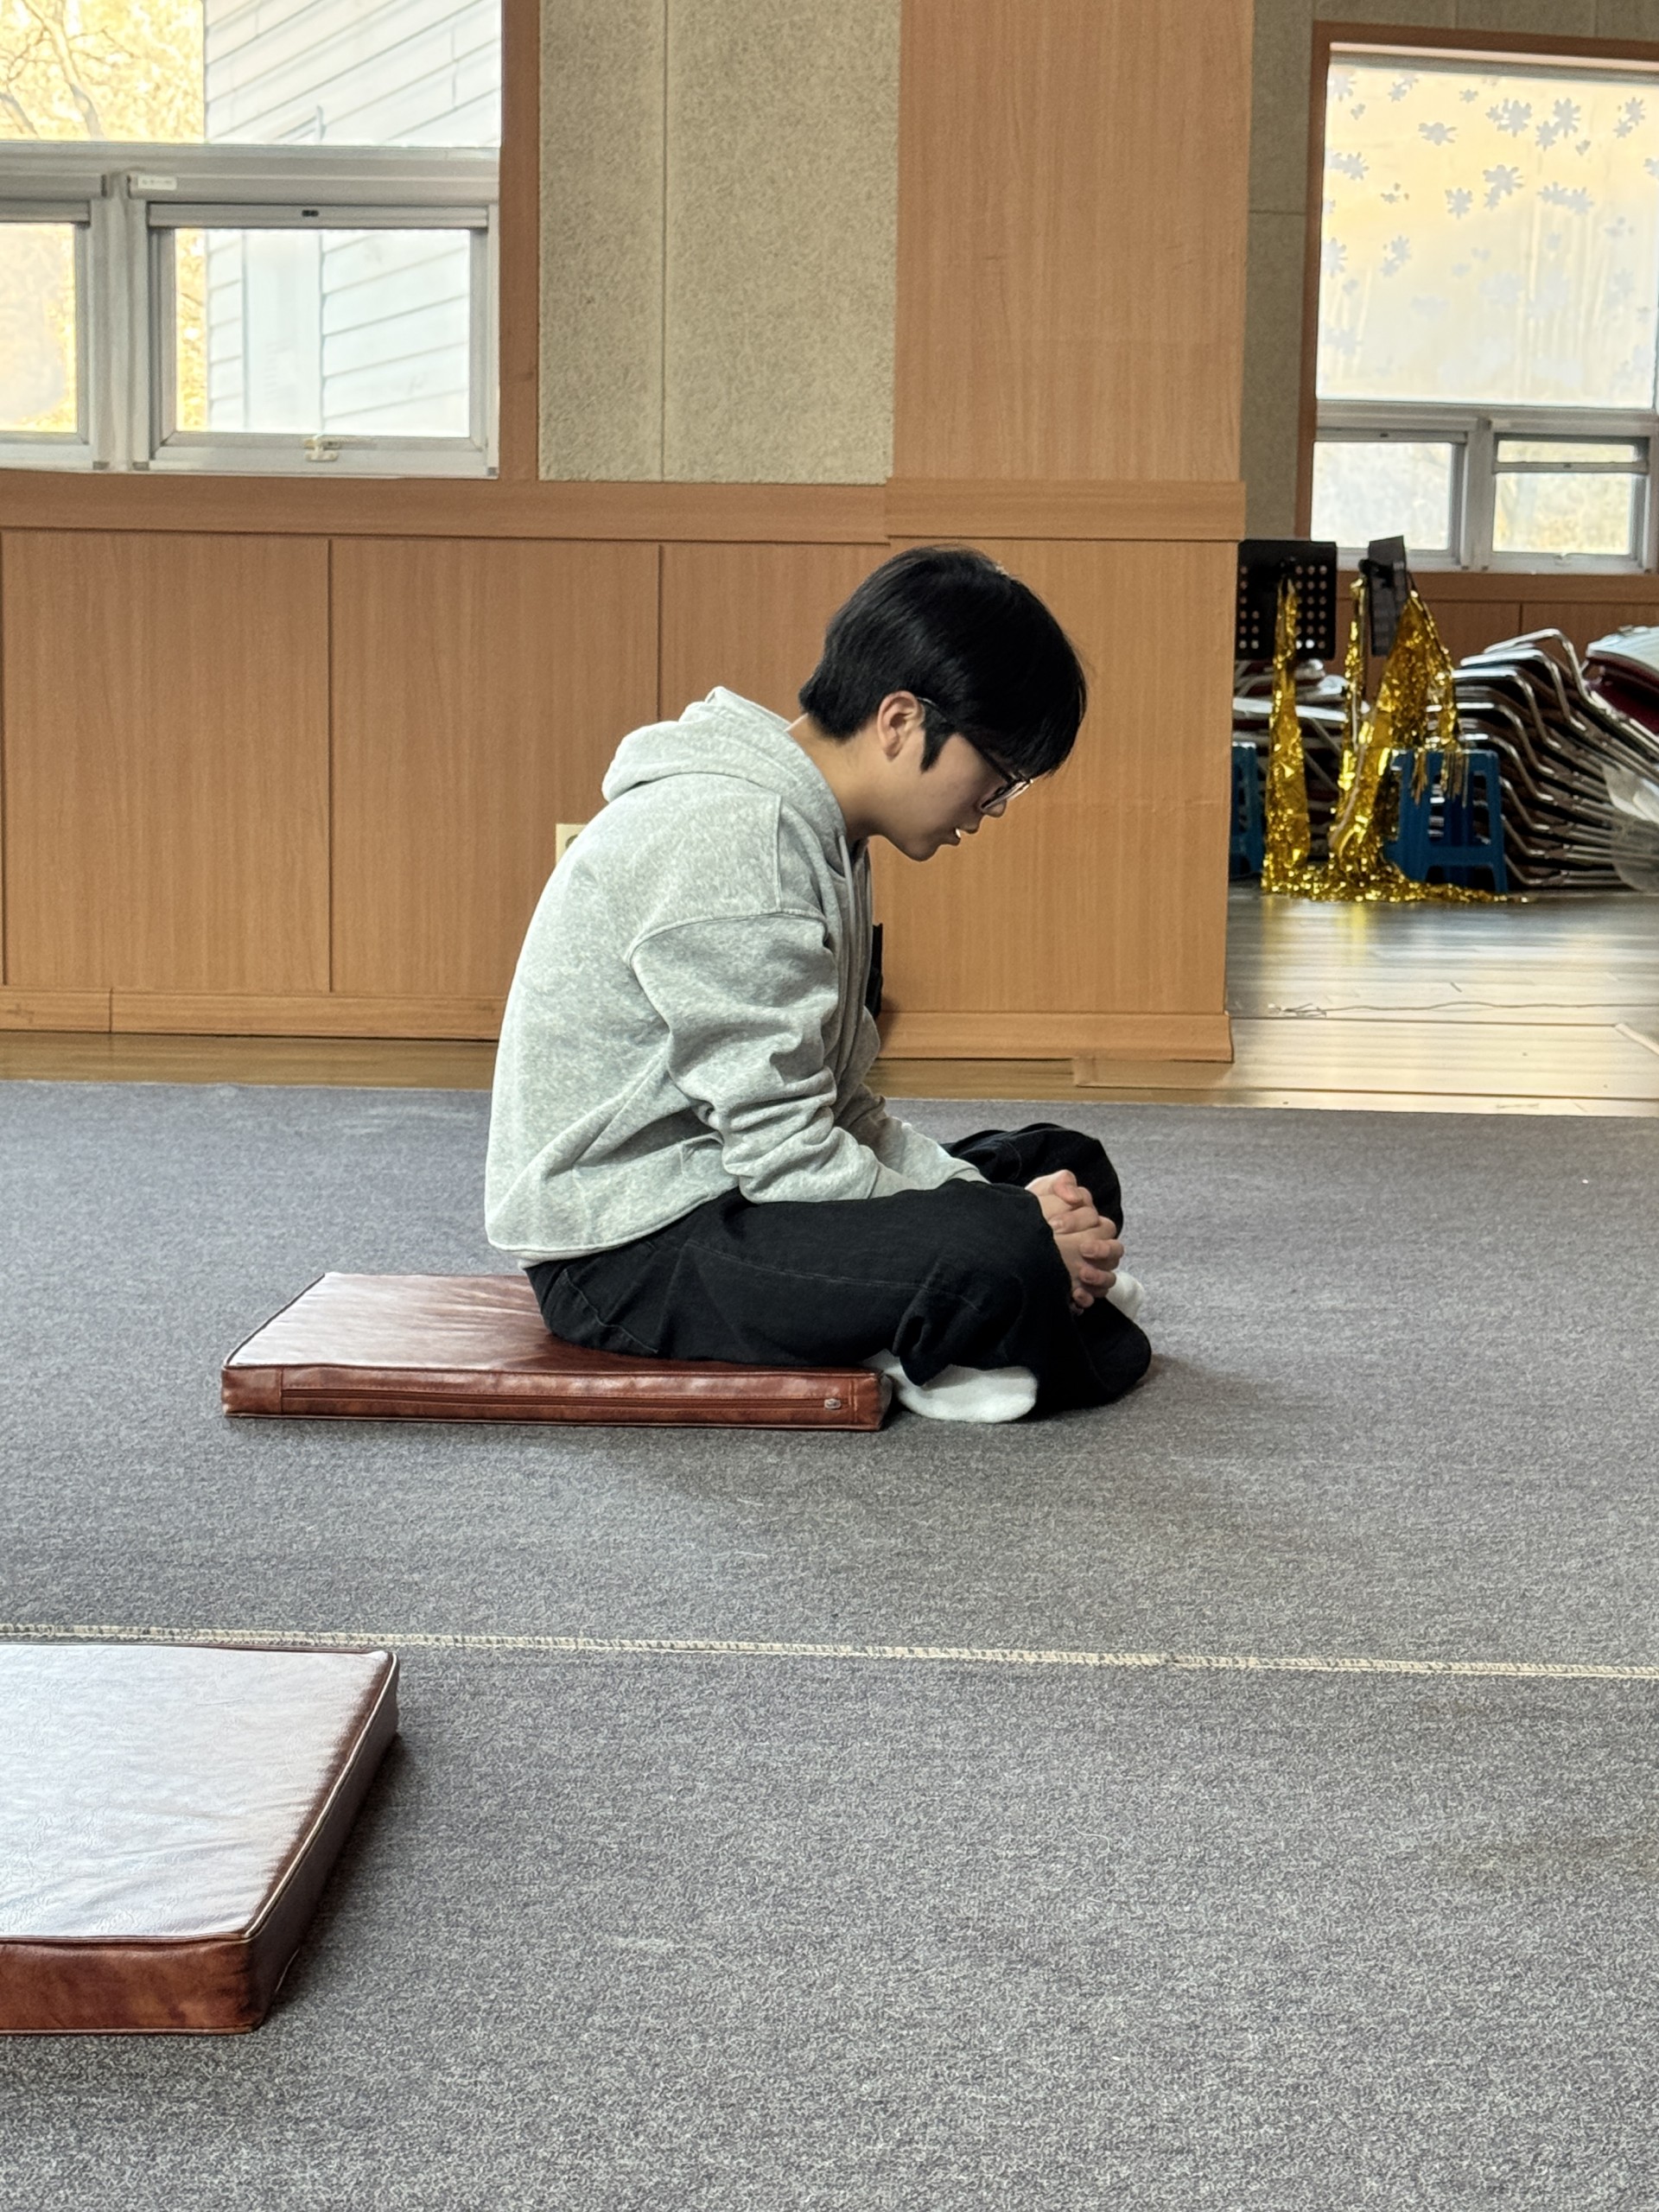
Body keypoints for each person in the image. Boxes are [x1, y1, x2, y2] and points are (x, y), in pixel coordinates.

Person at [485, 545, 1151, 1422]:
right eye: (997, 773)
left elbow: (839, 1110)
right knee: (1006, 1248)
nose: (990, 806)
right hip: (627, 1250)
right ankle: (954, 1328)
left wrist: (992, 1196)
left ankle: (963, 1311)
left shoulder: (824, 831)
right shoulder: (739, 836)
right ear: (902, 720)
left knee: (1063, 1166)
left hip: (730, 1187)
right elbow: (787, 1157)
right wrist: (1006, 1225)